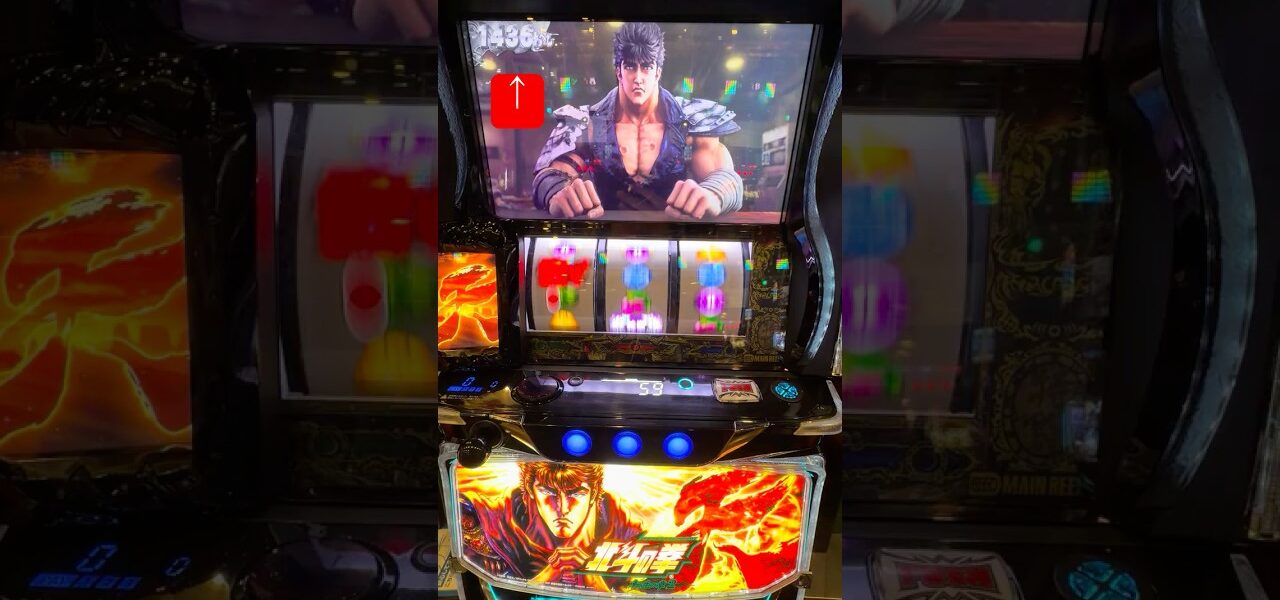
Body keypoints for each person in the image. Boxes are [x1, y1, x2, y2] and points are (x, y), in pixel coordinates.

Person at [532, 22, 743, 220]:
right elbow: (549, 175)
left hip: (672, 236)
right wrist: (558, 192)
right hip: (606, 235)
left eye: (647, 67)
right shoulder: (588, 124)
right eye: (630, 67)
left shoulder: (691, 121)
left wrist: (712, 194)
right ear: (618, 71)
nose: (638, 78)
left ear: (658, 72)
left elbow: (726, 178)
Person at [460, 462, 642, 591]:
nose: (563, 509)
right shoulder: (496, 523)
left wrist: (592, 577)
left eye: (576, 494)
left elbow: (641, 589)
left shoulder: (624, 532)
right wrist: (550, 574)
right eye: (548, 492)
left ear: (593, 495)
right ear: (530, 490)